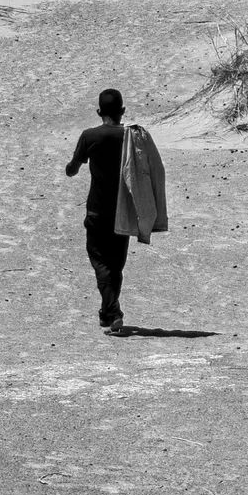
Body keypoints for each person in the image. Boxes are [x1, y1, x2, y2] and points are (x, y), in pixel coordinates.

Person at [62, 88, 164, 334]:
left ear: (99, 112)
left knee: (100, 262)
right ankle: (107, 312)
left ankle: (114, 311)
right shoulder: (132, 137)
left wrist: (72, 165)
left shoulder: (89, 136)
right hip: (124, 210)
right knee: (116, 266)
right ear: (123, 112)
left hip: (97, 211)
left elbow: (72, 169)